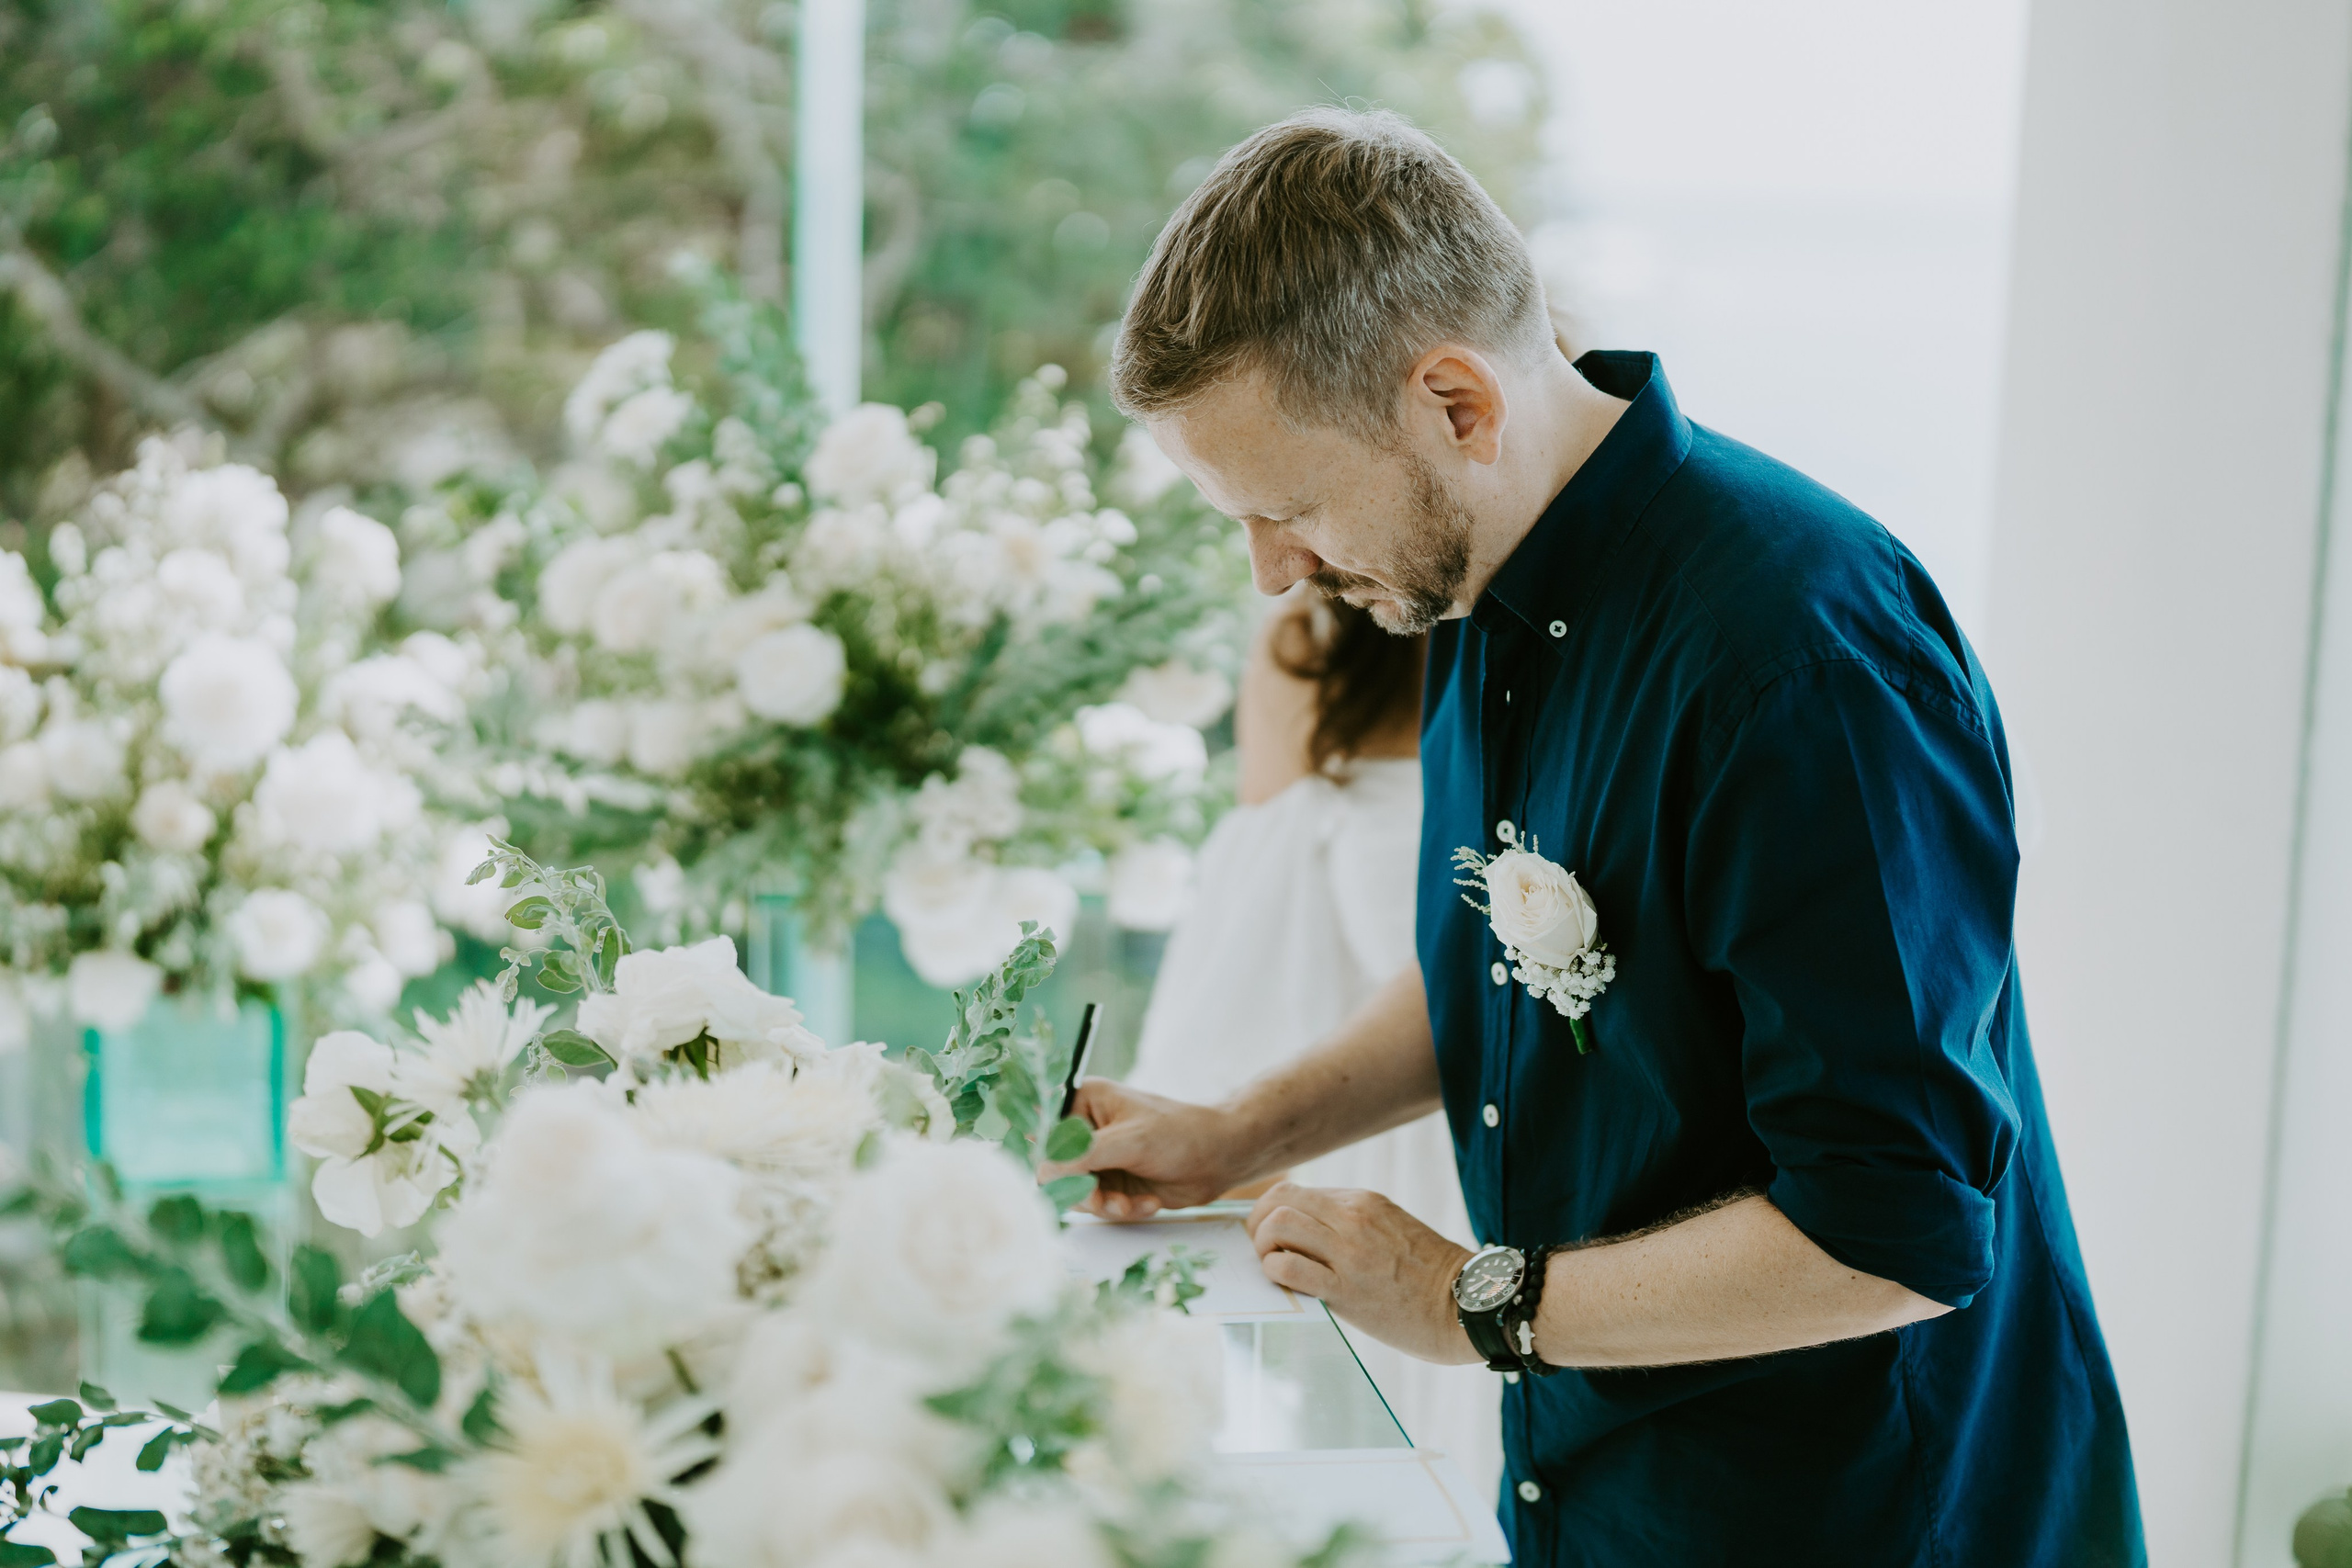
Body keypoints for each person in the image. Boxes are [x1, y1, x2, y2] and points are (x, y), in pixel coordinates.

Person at [1043, 108, 2143, 1566]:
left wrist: (1466, 1299)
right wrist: (1242, 1130)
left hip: (1856, 1508)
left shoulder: (1800, 662)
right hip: (1595, 1485)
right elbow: (1493, 975)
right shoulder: (1467, 592)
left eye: (1292, 508)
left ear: (1456, 402)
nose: (1273, 575)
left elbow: (1899, 1229)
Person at [1122, 591, 1500, 1494]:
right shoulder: (1323, 637)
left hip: (1453, 1141)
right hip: (1426, 1131)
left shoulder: (1528, 635)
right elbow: (1270, 888)